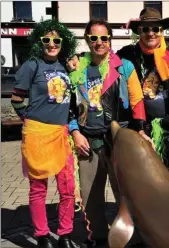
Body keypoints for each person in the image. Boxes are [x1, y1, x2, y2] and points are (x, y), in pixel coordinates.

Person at [68, 19, 147, 247]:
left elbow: (137, 101)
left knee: (124, 191)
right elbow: (68, 105)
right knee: (90, 194)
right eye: (94, 38)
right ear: (87, 40)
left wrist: (140, 130)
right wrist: (75, 132)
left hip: (116, 139)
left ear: (110, 39)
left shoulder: (124, 67)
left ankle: (130, 235)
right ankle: (98, 237)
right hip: (87, 139)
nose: (99, 43)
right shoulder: (76, 67)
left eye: (104, 38)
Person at [11, 19, 77, 248]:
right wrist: (29, 123)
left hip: (61, 134)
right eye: (47, 40)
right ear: (40, 41)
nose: (51, 44)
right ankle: (41, 235)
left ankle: (66, 234)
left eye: (56, 40)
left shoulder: (65, 66)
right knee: (38, 188)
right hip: (38, 134)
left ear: (62, 43)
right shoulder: (32, 65)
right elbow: (17, 99)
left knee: (67, 188)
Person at [117, 8, 169, 184]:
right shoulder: (127, 54)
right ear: (139, 32)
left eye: (156, 28)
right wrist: (78, 59)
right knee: (142, 179)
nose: (151, 33)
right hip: (138, 127)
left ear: (162, 31)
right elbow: (104, 63)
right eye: (145, 29)